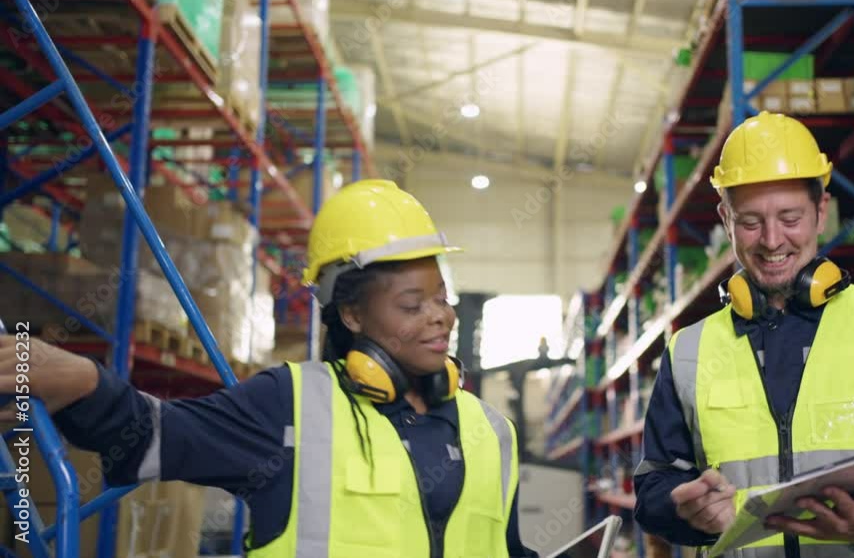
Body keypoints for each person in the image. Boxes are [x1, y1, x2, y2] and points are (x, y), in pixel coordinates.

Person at [0, 179, 540, 558]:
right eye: (411, 304)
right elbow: (155, 435)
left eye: (442, 298)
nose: (439, 318)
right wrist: (84, 380)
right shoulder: (290, 407)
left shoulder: (491, 431)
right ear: (351, 314)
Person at [632, 112, 854, 557]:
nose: (772, 240)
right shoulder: (688, 351)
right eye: (751, 222)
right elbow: (652, 490)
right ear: (726, 219)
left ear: (821, 212)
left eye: (790, 217)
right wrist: (684, 512)